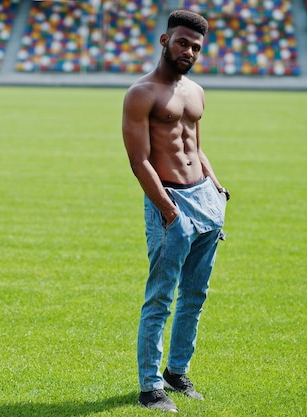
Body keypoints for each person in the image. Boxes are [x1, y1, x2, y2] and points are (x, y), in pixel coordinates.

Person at [121, 10, 229, 413]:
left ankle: (176, 372)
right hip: (170, 203)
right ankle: (150, 387)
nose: (189, 51)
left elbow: (195, 147)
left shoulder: (197, 92)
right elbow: (139, 160)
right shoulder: (141, 93)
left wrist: (216, 187)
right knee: (160, 298)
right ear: (165, 41)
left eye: (197, 46)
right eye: (183, 42)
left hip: (205, 199)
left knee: (195, 295)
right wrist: (167, 209)